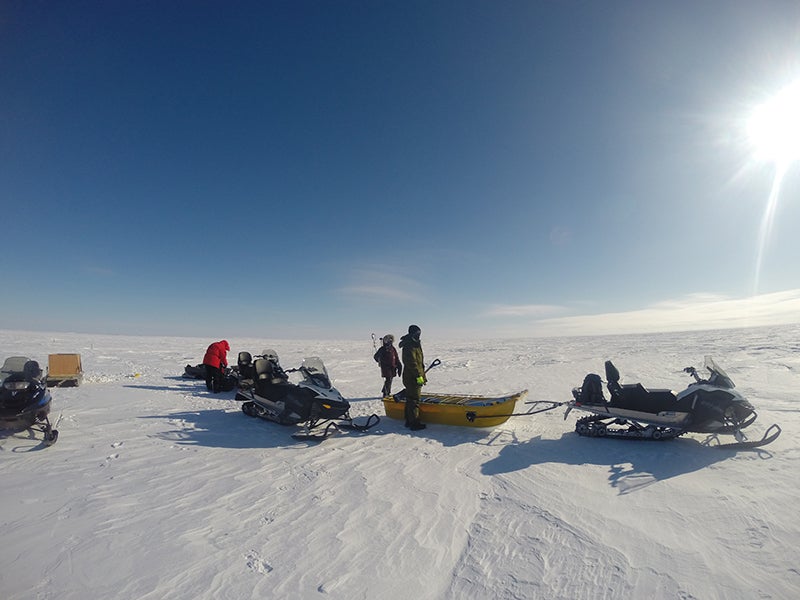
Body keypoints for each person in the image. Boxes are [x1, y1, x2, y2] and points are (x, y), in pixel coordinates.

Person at [399, 324, 426, 430]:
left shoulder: (415, 344)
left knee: (410, 399)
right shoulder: (410, 345)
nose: (419, 336)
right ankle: (414, 423)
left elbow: (419, 362)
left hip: (414, 376)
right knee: (414, 400)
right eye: (417, 334)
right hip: (412, 377)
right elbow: (412, 363)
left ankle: (409, 420)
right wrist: (419, 376)